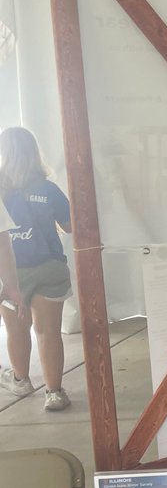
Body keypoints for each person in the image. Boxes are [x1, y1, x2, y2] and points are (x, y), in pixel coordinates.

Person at [0, 127, 73, 411]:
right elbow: (71, 226)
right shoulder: (48, 189)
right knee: (48, 332)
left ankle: (20, 380)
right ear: (34, 153)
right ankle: (54, 393)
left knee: (16, 330)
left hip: (11, 273)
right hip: (49, 268)